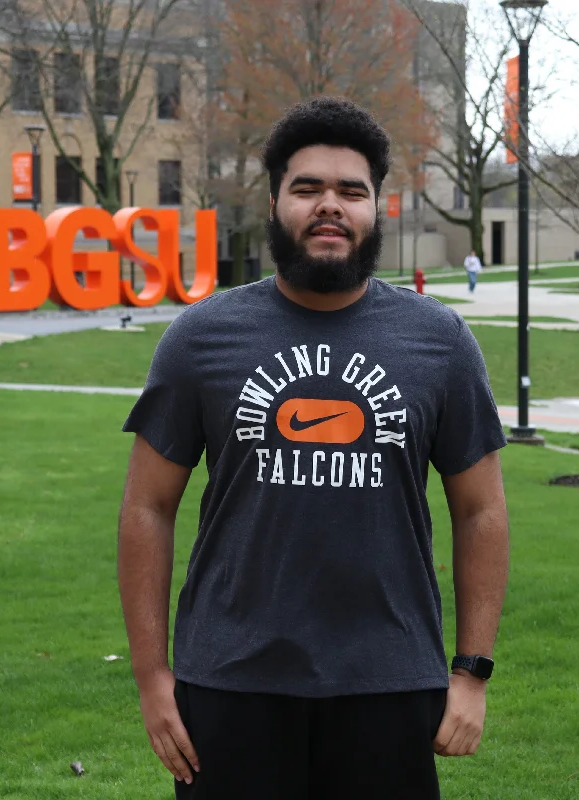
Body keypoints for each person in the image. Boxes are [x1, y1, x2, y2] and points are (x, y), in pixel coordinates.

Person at [117, 97, 510, 800]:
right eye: (307, 189)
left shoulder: (440, 342)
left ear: (376, 206)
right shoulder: (201, 339)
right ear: (274, 201)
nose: (330, 206)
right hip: (229, 686)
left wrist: (471, 671)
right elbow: (147, 507)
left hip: (390, 687)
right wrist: (152, 677)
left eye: (350, 191)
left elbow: (481, 511)